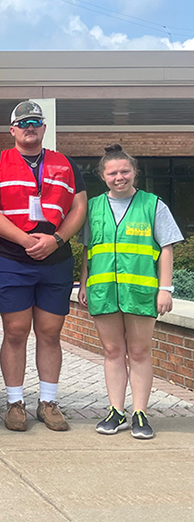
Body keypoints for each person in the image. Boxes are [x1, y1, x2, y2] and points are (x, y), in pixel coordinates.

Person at [0, 101, 87, 432]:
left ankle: (48, 402)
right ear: (12, 130)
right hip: (11, 260)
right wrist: (26, 240)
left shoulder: (66, 164)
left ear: (43, 128)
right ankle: (14, 403)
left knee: (50, 333)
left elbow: (78, 207)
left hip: (55, 260)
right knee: (15, 331)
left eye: (35, 121)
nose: (29, 127)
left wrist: (56, 239)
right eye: (22, 122)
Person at [79, 145, 183, 440]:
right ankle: (116, 410)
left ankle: (140, 412)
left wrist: (165, 289)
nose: (119, 177)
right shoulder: (94, 207)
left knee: (139, 352)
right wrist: (84, 283)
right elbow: (88, 249)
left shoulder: (153, 204)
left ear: (134, 172)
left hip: (140, 290)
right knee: (112, 352)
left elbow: (166, 248)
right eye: (112, 172)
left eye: (125, 171)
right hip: (103, 290)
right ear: (102, 176)